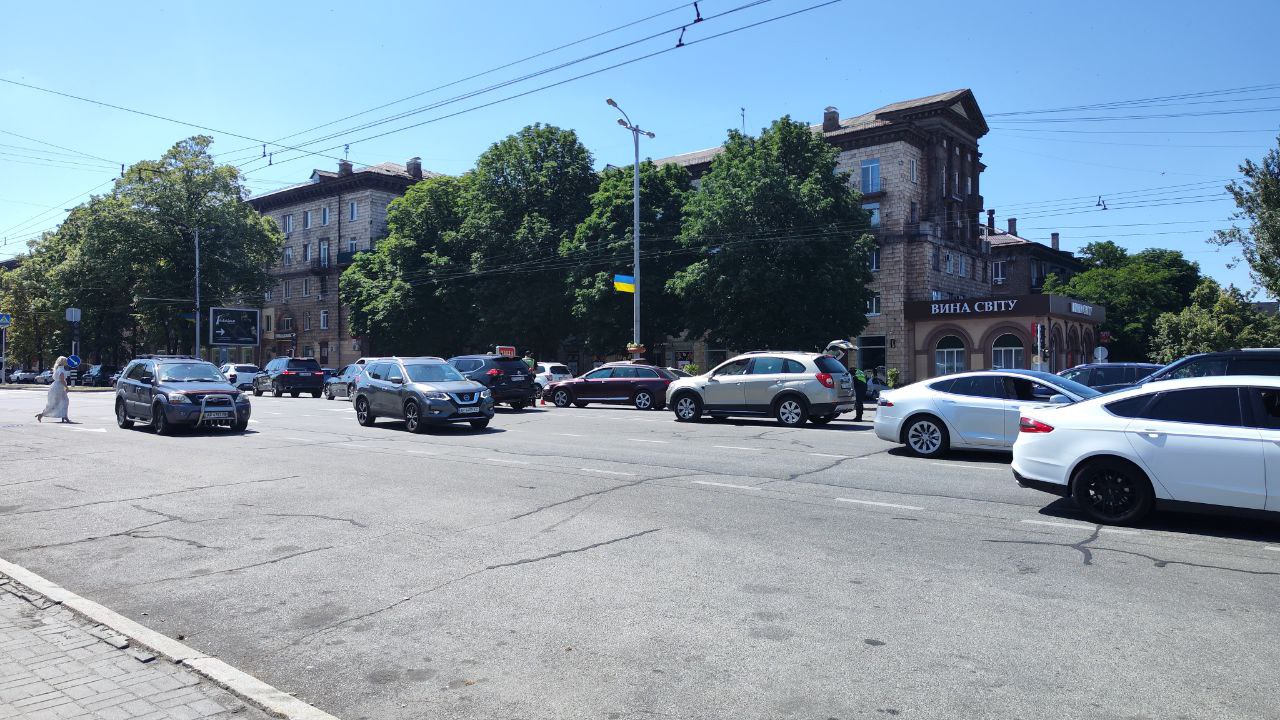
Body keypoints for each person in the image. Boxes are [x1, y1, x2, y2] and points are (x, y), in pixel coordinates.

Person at [36, 356, 71, 423]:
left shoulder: (58, 369)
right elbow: (62, 380)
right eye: (66, 361)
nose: (67, 362)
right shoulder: (61, 370)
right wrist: (66, 387)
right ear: (63, 362)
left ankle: (64, 416)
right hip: (59, 387)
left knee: (61, 402)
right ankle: (42, 414)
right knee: (61, 402)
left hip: (56, 386)